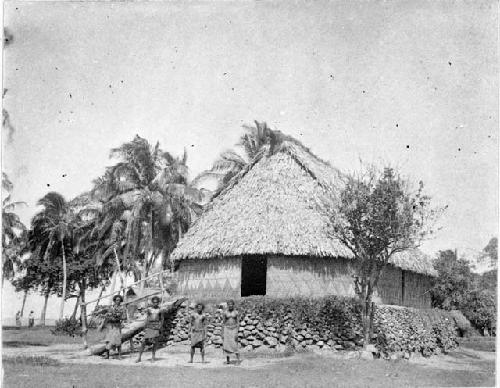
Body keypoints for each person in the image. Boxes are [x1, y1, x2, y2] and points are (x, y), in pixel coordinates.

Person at [135, 296, 172, 363]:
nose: (155, 303)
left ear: (158, 303)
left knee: (155, 342)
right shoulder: (149, 309)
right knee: (144, 342)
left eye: (156, 302)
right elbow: (147, 318)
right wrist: (145, 326)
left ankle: (153, 357)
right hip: (150, 327)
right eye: (154, 302)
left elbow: (162, 319)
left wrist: (160, 327)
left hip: (156, 327)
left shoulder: (160, 310)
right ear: (152, 302)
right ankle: (139, 357)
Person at [100, 295, 127, 359]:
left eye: (119, 300)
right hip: (110, 326)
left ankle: (119, 355)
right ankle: (107, 355)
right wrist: (109, 317)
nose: (118, 301)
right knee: (108, 340)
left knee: (118, 340)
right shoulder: (111, 308)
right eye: (117, 300)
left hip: (117, 325)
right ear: (114, 300)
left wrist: (119, 317)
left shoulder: (122, 308)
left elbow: (125, 317)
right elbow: (107, 315)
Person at [222, 300, 241, 365]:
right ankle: (228, 360)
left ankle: (238, 360)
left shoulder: (236, 312)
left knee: (234, 344)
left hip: (234, 329)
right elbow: (223, 323)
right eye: (229, 304)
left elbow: (238, 322)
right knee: (227, 344)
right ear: (227, 305)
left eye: (231, 304)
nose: (230, 305)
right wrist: (222, 333)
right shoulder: (225, 313)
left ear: (233, 305)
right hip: (227, 329)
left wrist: (237, 332)